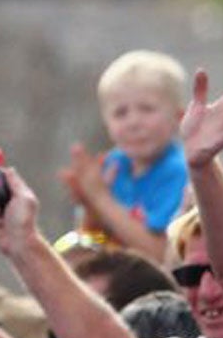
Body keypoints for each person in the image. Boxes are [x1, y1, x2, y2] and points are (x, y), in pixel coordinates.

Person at [59, 50, 190, 264]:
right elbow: (97, 242)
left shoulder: (180, 173)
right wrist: (90, 206)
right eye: (120, 113)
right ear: (107, 123)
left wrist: (101, 198)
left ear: (179, 117)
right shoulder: (113, 165)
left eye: (147, 109)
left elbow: (160, 256)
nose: (133, 122)